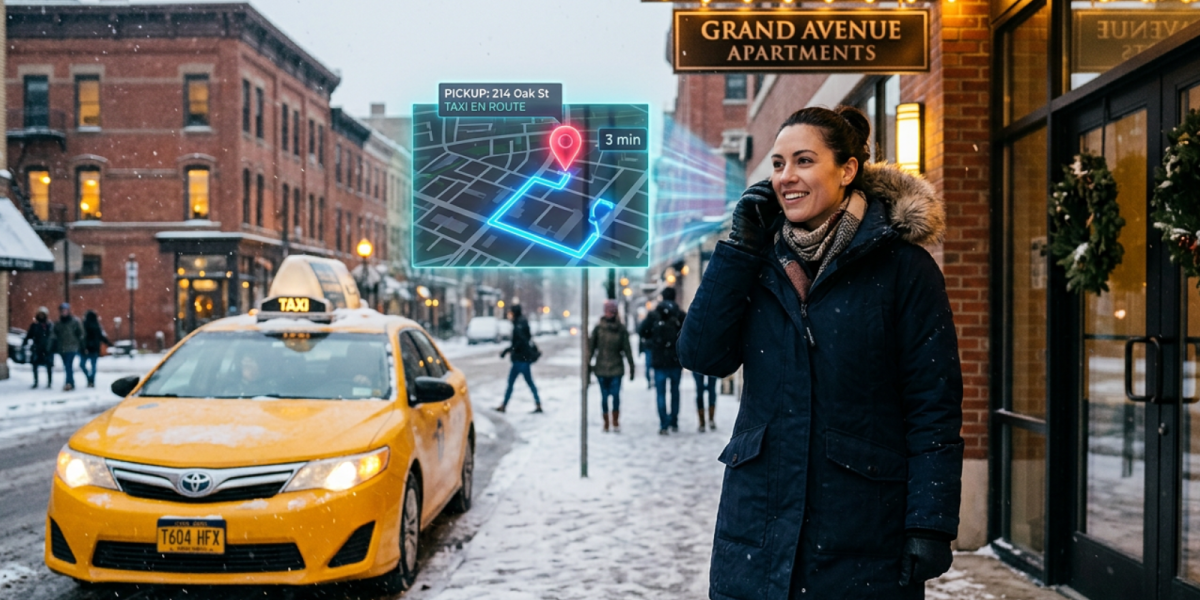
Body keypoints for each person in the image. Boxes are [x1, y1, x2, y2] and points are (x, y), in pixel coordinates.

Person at [678, 105, 963, 599]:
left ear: (847, 169)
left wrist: (930, 522)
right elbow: (702, 355)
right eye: (778, 164)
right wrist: (739, 247)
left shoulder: (904, 270)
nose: (787, 177)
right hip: (758, 531)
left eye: (804, 161)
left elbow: (932, 402)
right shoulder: (758, 262)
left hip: (862, 531)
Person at [638, 287, 686, 435]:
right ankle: (674, 421)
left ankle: (664, 423)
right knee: (675, 391)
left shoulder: (654, 315)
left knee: (661, 393)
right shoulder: (680, 315)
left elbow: (641, 330)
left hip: (659, 360)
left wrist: (652, 342)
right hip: (675, 360)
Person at [589, 300, 635, 433]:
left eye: (611, 311)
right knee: (604, 397)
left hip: (616, 368)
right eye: (607, 311)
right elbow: (591, 348)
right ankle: (606, 421)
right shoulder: (598, 329)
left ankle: (615, 420)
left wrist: (631, 367)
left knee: (615, 396)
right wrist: (587, 366)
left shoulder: (621, 329)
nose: (609, 313)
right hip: (601, 368)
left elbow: (627, 349)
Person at [495, 304, 542, 414]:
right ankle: (505, 405)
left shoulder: (519, 325)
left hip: (521, 360)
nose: (509, 315)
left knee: (517, 383)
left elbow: (519, 342)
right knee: (521, 383)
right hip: (521, 359)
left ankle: (505, 405)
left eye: (511, 312)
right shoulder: (521, 323)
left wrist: (508, 350)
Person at [53, 302, 85, 392]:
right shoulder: (58, 323)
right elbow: (55, 334)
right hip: (62, 348)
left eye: (65, 310)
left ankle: (68, 383)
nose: (64, 312)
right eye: (62, 311)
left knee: (68, 365)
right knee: (67, 366)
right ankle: (71, 382)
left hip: (72, 347)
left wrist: (80, 344)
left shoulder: (74, 321)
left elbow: (81, 333)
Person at [23, 307, 55, 389]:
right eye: (40, 315)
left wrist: (53, 347)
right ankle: (36, 381)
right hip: (37, 348)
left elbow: (53, 337)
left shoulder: (49, 325)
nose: (41, 316)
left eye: (42, 315)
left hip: (47, 349)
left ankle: (49, 382)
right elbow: (29, 335)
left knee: (48, 366)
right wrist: (25, 342)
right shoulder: (34, 325)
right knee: (35, 366)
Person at [80, 310, 111, 388]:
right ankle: (91, 380)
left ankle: (89, 379)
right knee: (93, 366)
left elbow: (82, 337)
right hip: (94, 349)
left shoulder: (84, 325)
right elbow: (101, 336)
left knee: (83, 365)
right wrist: (108, 343)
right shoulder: (96, 325)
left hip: (86, 349)